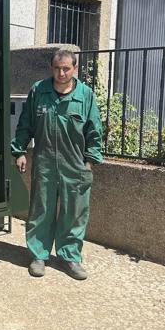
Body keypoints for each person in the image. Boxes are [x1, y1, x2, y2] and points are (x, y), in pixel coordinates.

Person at [11, 50, 103, 280]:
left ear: (75, 69)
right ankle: (39, 255)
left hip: (75, 164)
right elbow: (26, 124)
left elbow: (94, 130)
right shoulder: (38, 91)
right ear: (51, 68)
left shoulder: (86, 95)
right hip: (45, 162)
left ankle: (70, 257)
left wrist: (89, 162)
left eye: (66, 69)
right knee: (41, 209)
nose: (61, 73)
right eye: (56, 68)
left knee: (74, 212)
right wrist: (19, 150)